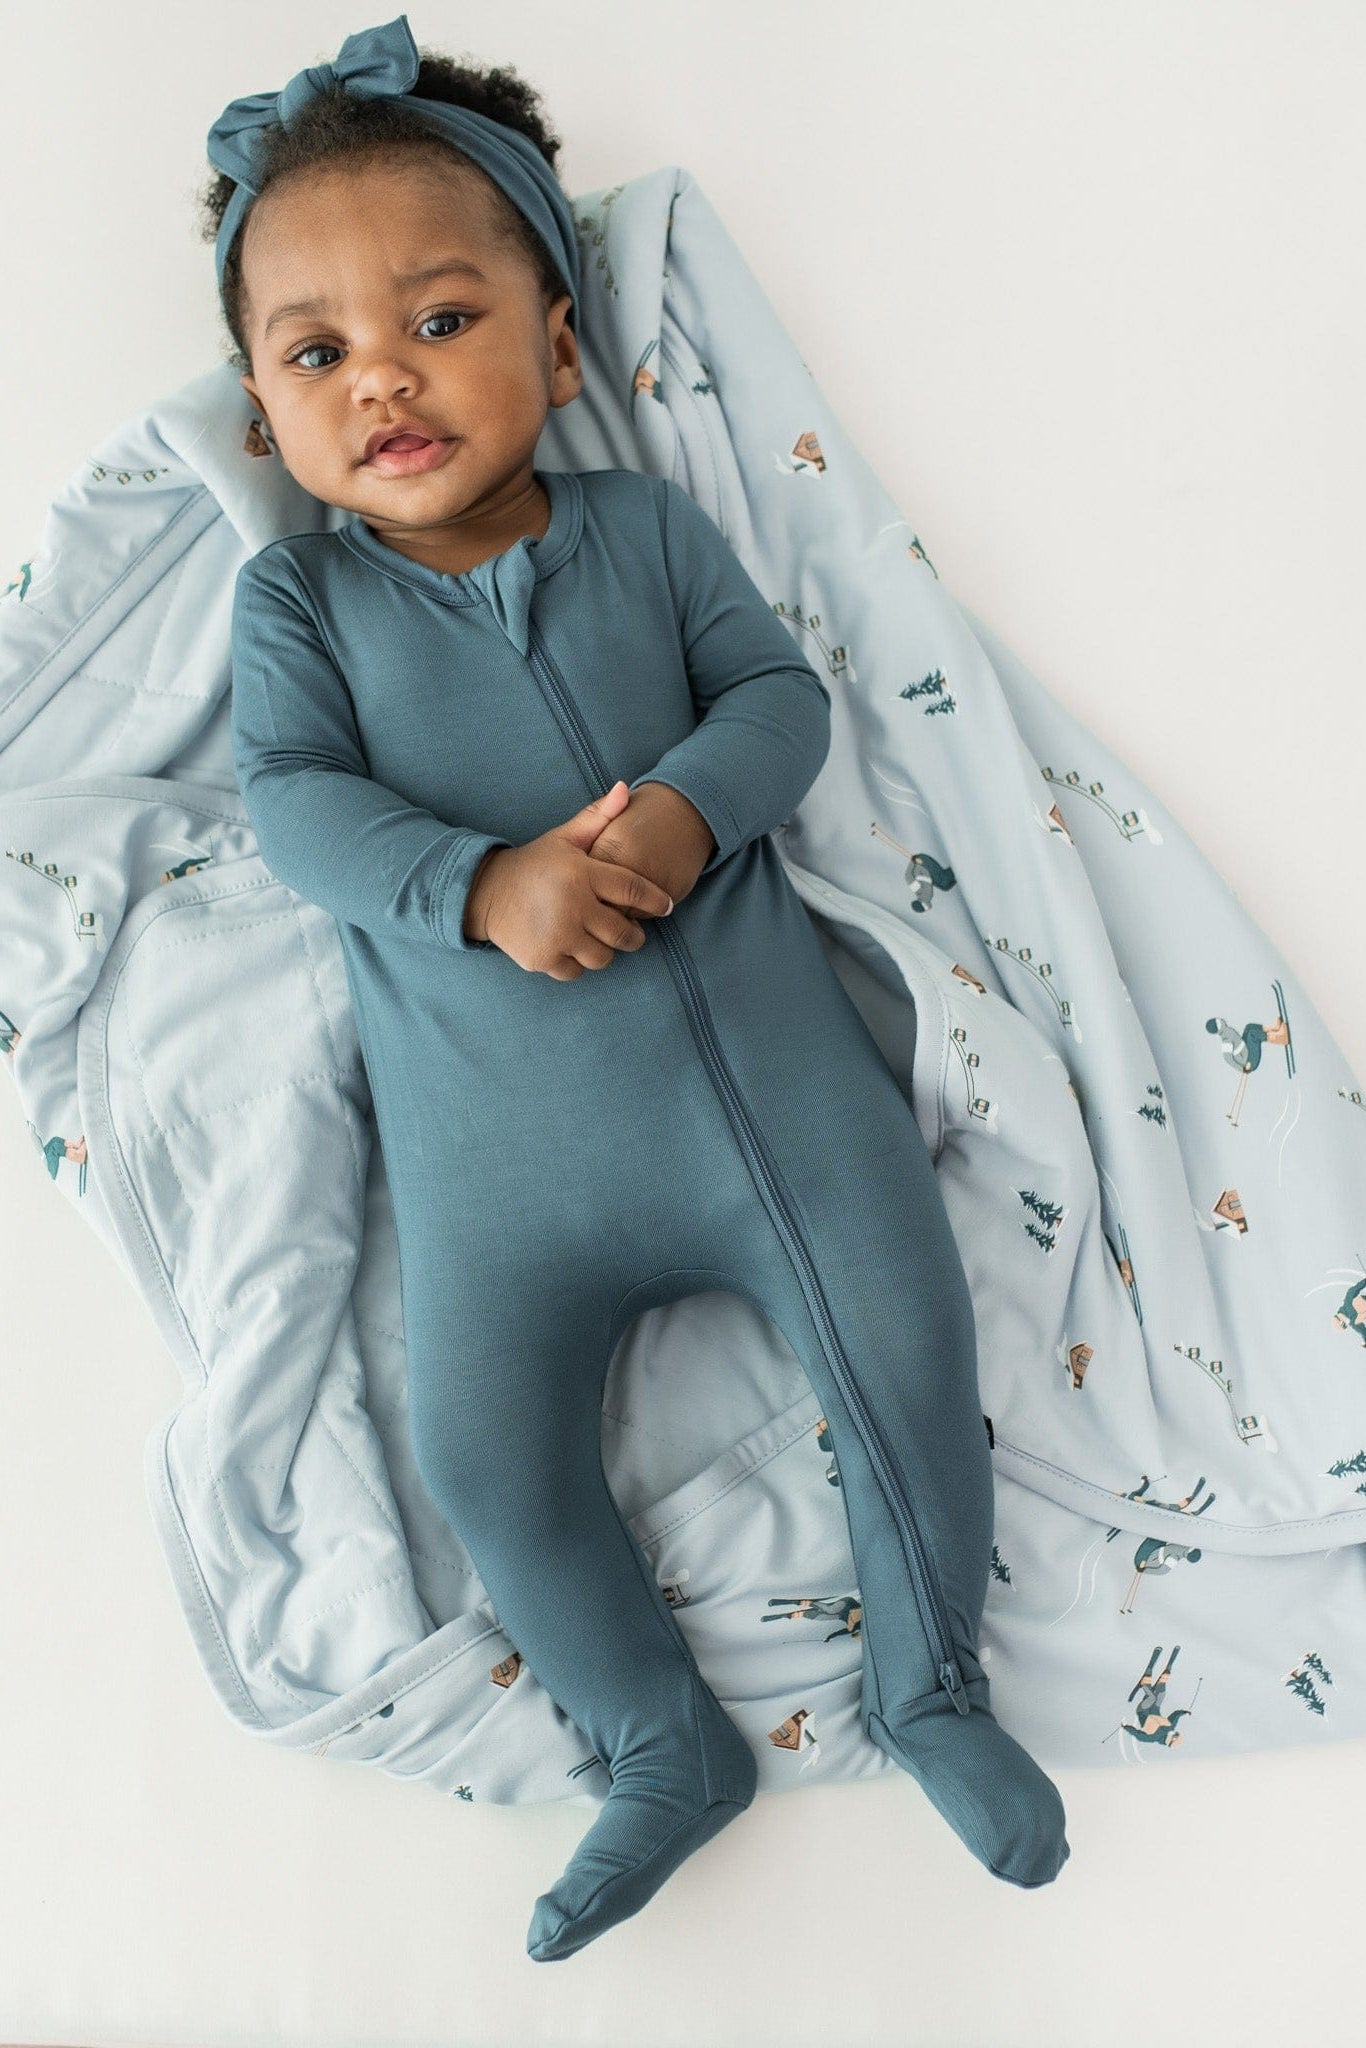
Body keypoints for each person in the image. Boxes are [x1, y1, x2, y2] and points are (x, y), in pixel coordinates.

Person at [205, 14, 1071, 1963]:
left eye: (439, 318)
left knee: (904, 1352)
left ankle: (929, 1686)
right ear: (265, 420)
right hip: (502, 1197)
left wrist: (680, 820)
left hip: (770, 1120)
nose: (384, 381)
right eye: (317, 353)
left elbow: (781, 700)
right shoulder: (298, 606)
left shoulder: (640, 532)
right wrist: (479, 882)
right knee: (485, 1465)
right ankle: (655, 1745)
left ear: (560, 346)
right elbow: (292, 813)